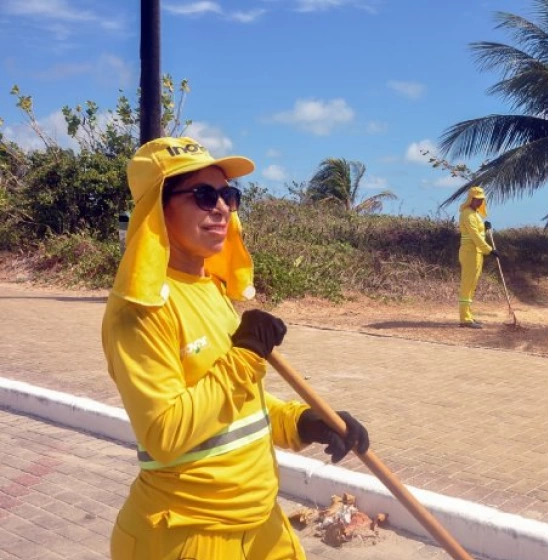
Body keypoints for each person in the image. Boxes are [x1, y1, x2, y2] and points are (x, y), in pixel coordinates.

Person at [101, 136, 370, 560]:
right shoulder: (140, 310)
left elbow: (240, 406)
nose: (222, 207)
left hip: (260, 522)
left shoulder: (210, 288)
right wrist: (244, 354)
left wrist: (304, 422)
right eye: (204, 195)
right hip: (190, 534)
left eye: (228, 195)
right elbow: (165, 434)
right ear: (157, 208)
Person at [457, 186, 499, 328]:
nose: (480, 202)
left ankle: (468, 316)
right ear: (471, 199)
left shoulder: (475, 214)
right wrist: (489, 250)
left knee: (472, 285)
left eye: (481, 200)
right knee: (467, 285)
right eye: (477, 200)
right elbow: (474, 236)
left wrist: (485, 228)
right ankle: (465, 319)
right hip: (470, 253)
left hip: (476, 253)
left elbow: (479, 232)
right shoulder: (467, 214)